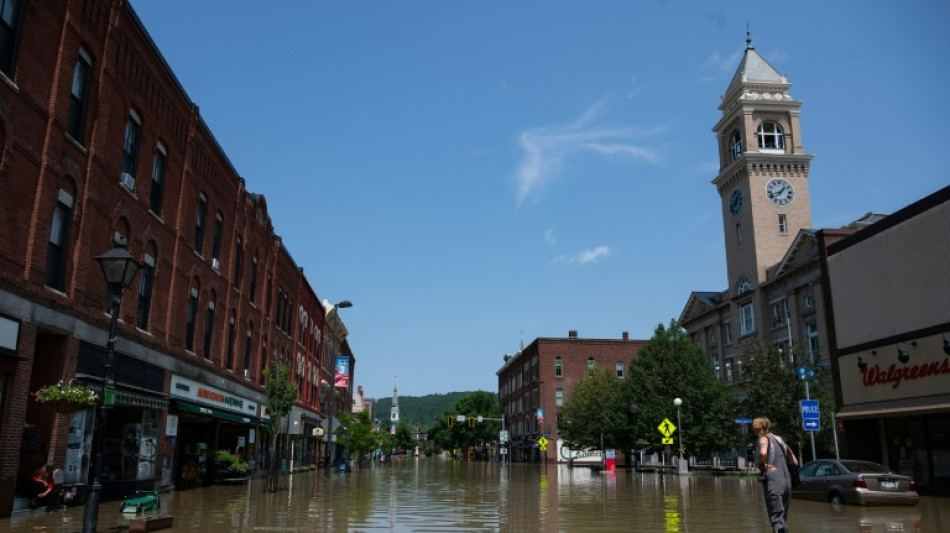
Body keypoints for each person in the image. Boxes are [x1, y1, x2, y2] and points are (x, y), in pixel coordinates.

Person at [754, 417, 798, 533]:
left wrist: (763, 464)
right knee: (782, 520)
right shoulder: (780, 440)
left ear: (757, 429)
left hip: (774, 482)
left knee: (777, 520)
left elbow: (762, 452)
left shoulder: (764, 438)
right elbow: (795, 461)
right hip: (787, 483)